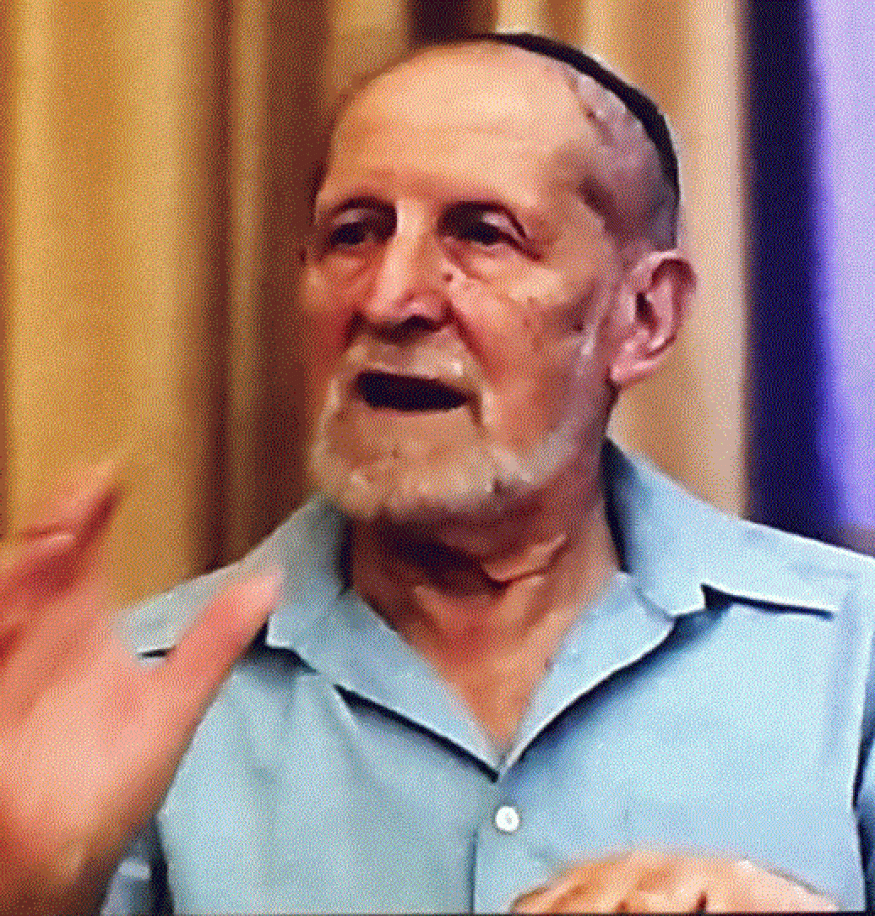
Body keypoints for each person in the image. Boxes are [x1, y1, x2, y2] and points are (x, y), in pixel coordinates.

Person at [0, 32, 870, 913]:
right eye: (353, 235)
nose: (389, 299)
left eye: (483, 235)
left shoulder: (852, 656)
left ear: (642, 316)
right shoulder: (129, 714)